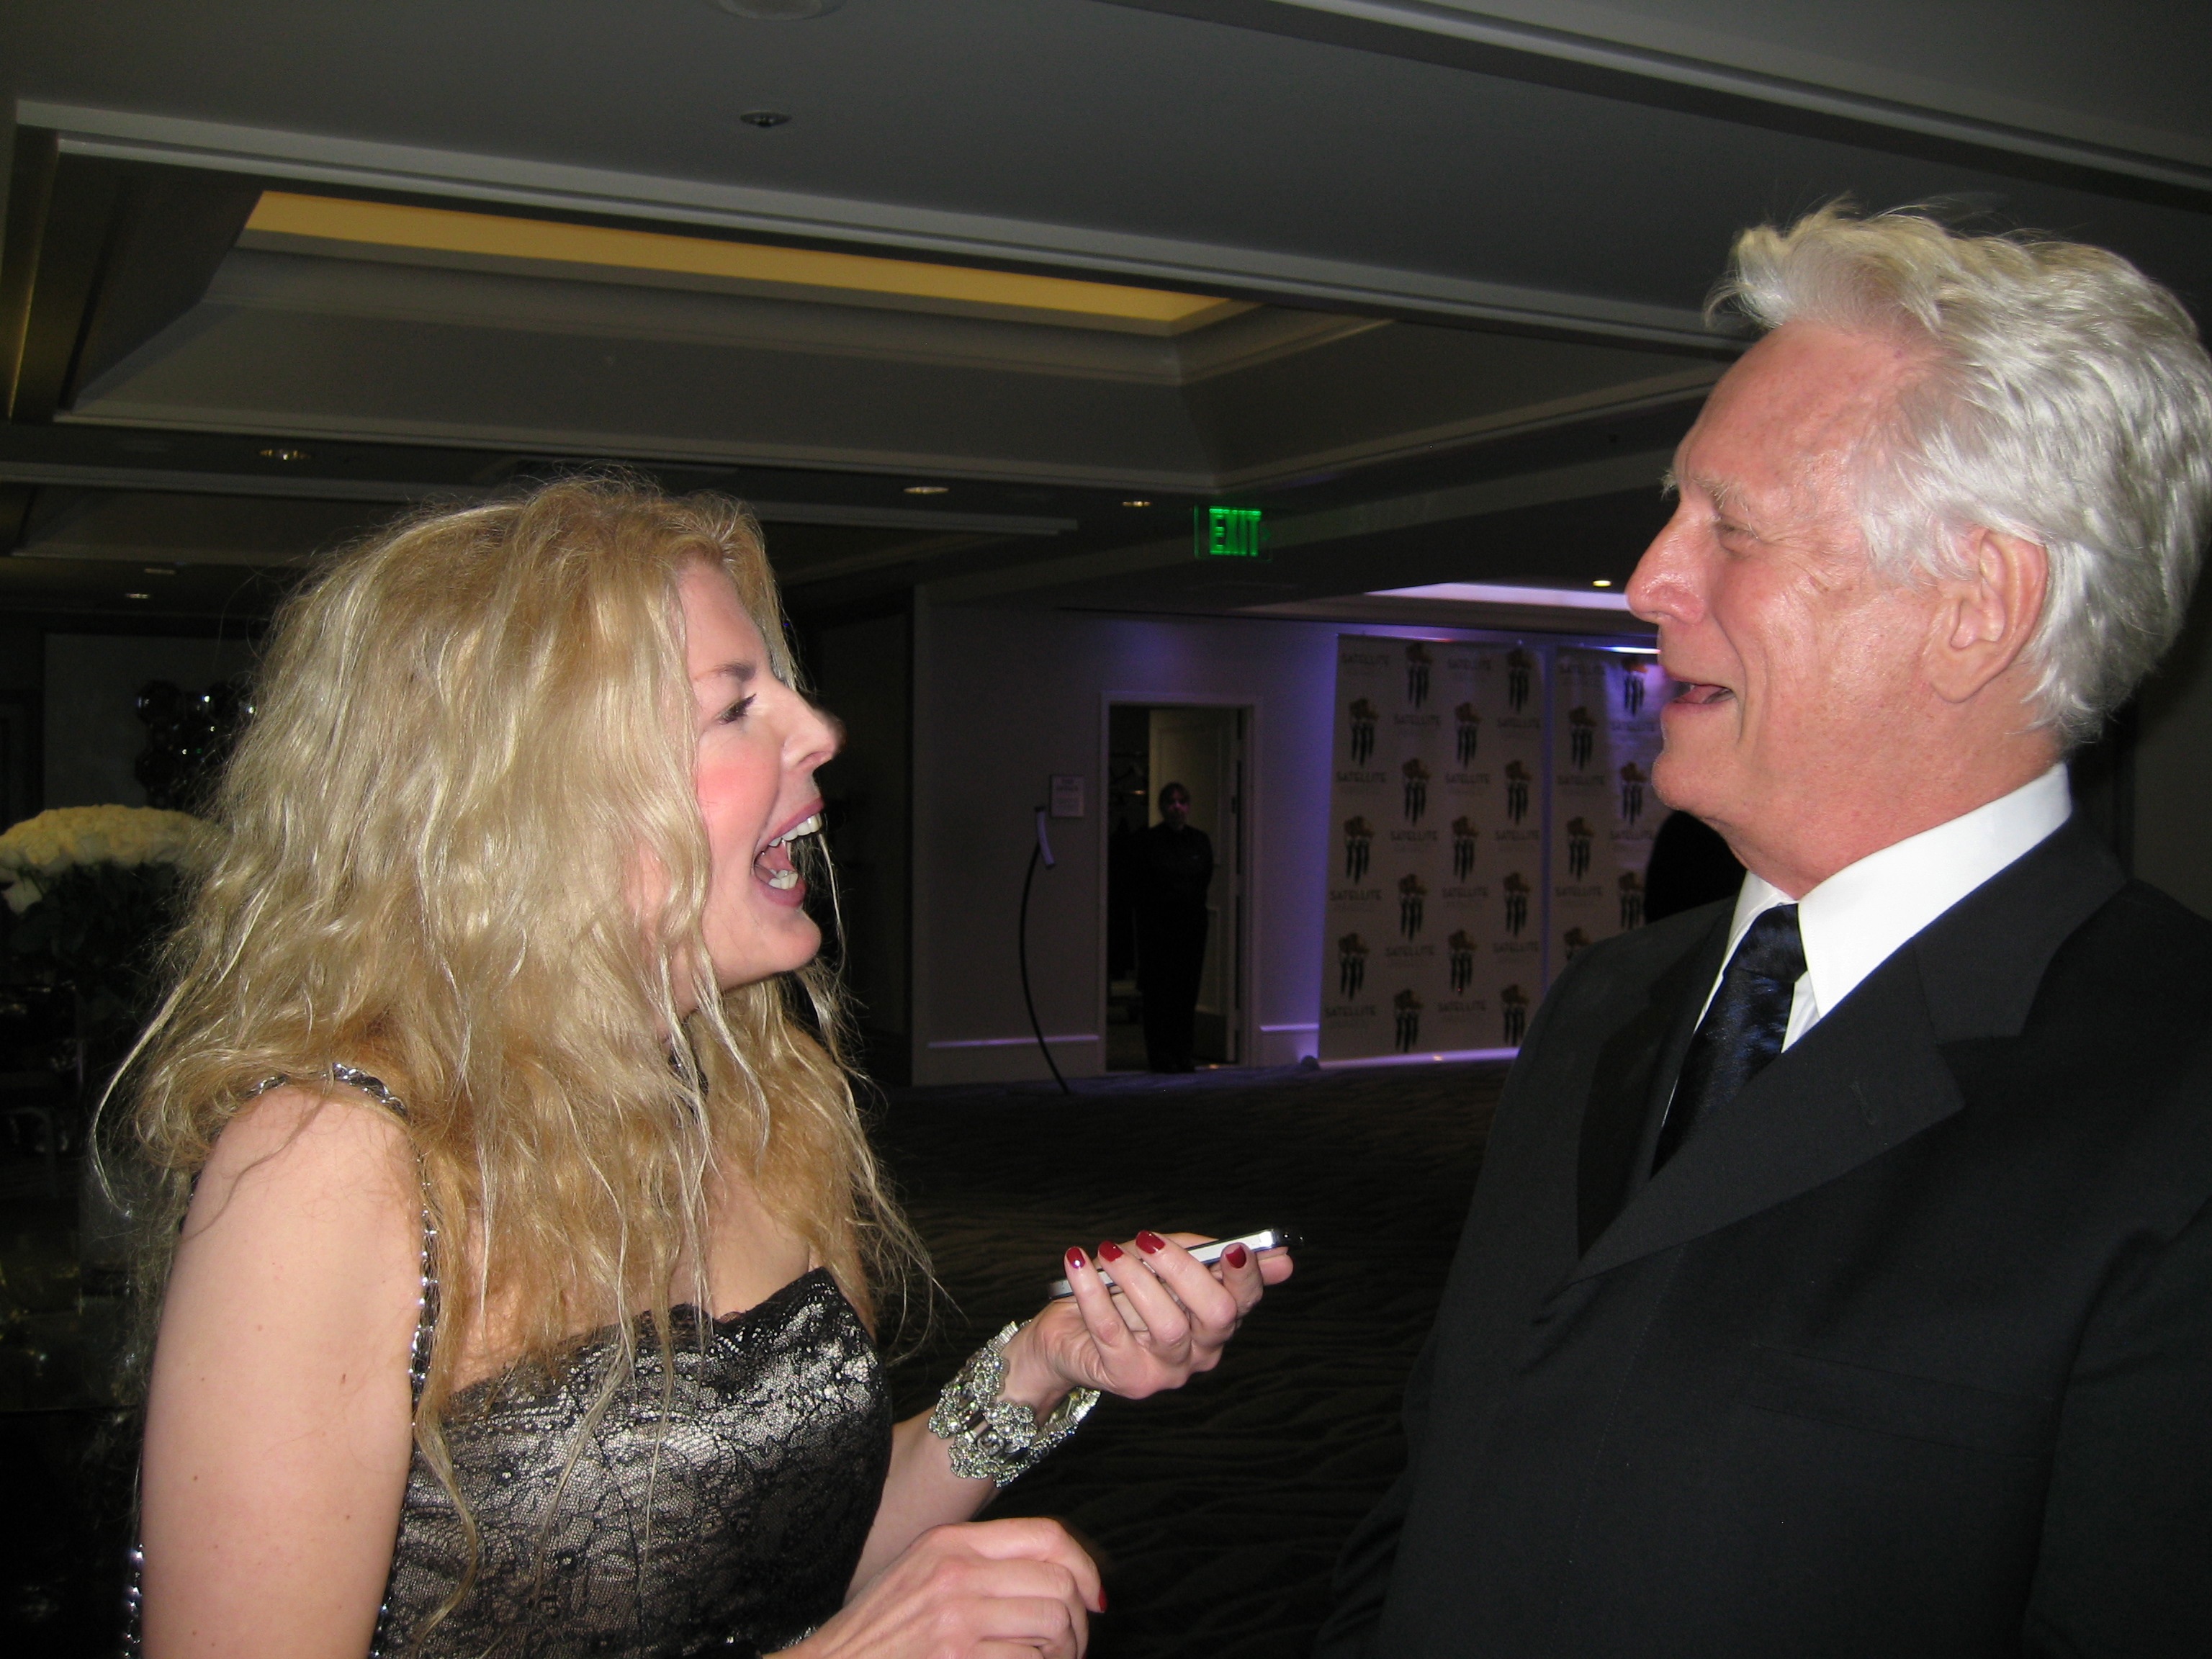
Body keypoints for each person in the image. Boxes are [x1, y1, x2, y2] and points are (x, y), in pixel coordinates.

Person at [123, 480, 1291, 1659]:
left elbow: (768, 1560)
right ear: (541, 791)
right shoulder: (332, 1164)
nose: (821, 731)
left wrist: (1041, 1364)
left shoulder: (751, 1096)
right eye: (737, 706)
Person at [1318, 206, 2212, 1657]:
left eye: (1729, 527)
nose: (1649, 580)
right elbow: (1443, 1488)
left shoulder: (2175, 1100)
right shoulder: (1610, 1003)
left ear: (1976, 607)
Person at [1132, 783, 1213, 1072]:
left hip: (1191, 929)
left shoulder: (1200, 841)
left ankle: (1183, 1053)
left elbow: (1203, 878)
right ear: (1162, 807)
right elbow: (1144, 884)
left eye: (1182, 802)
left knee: (1185, 994)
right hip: (1158, 929)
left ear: (1188, 807)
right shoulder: (1149, 841)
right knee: (1159, 994)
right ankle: (1161, 1055)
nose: (1177, 807)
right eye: (1171, 802)